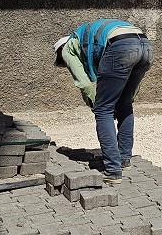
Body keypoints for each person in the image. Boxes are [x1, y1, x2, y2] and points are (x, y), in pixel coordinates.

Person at [54, 20, 154, 184]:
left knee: (103, 111)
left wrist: (96, 104)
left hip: (120, 46)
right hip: (145, 45)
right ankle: (123, 159)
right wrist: (127, 98)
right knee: (125, 105)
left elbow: (85, 84)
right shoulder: (88, 39)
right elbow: (129, 92)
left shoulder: (67, 49)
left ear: (60, 51)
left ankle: (113, 170)